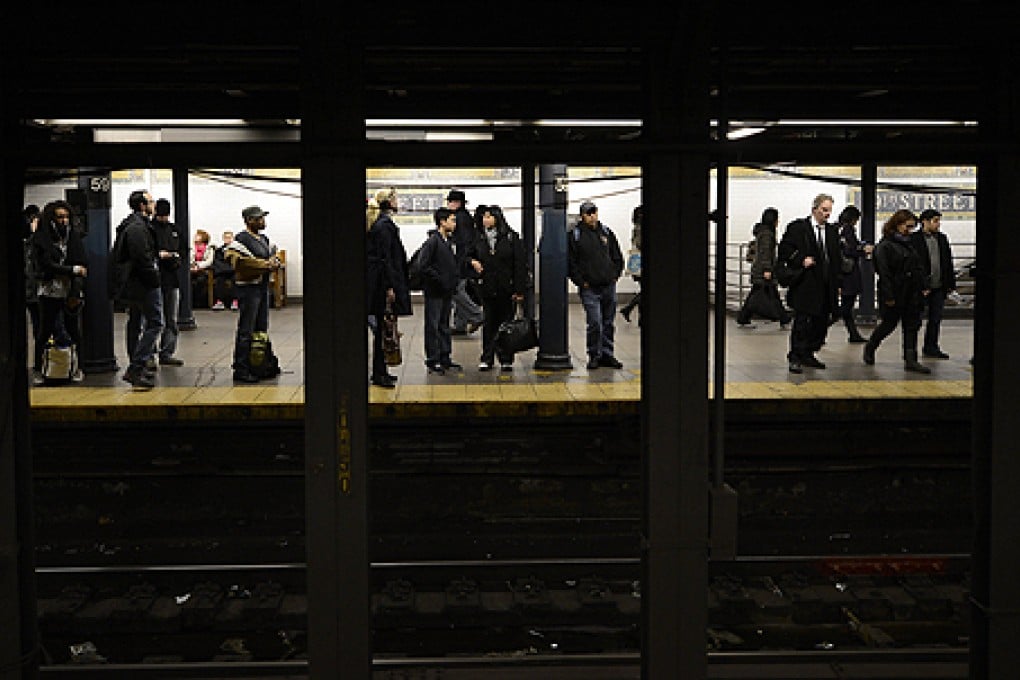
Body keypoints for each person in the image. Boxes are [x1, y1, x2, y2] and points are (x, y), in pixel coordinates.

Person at [777, 193, 840, 374]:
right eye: (824, 210)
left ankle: (809, 352)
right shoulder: (798, 228)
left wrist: (838, 282)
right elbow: (785, 250)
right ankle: (795, 355)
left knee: (822, 321)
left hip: (826, 284)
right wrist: (800, 260)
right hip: (806, 283)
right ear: (815, 209)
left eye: (829, 211)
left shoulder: (832, 231)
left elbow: (835, 257)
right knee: (802, 322)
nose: (827, 214)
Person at [863, 209, 931, 373]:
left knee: (912, 325)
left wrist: (923, 286)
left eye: (912, 227)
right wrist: (889, 295)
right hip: (895, 291)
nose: (909, 230)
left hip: (911, 292)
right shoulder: (884, 246)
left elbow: (918, 267)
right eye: (907, 226)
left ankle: (910, 359)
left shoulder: (909, 244)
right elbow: (884, 273)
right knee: (888, 324)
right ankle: (871, 346)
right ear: (897, 225)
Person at [463, 205, 529, 371]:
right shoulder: (478, 238)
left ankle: (506, 358)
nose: (485, 220)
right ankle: (487, 357)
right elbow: (466, 256)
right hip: (487, 288)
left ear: (497, 218)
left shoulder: (511, 237)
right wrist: (472, 261)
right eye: (484, 217)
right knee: (489, 324)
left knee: (506, 326)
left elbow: (519, 265)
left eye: (489, 217)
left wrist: (519, 290)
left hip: (507, 289)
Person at [223, 206, 282, 383]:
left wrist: (275, 261)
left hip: (261, 288)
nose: (263, 221)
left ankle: (261, 363)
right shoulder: (240, 240)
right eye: (259, 219)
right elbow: (238, 261)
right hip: (248, 289)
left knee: (261, 328)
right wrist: (265, 265)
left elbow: (273, 254)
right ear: (249, 221)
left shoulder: (264, 239)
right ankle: (241, 368)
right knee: (246, 329)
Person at [31, 200, 87, 386]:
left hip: (69, 290)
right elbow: (46, 264)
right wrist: (72, 270)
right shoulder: (42, 239)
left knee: (74, 331)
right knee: (44, 331)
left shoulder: (73, 236)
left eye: (66, 217)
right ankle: (39, 369)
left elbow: (82, 263)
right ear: (51, 219)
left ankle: (78, 367)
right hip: (49, 290)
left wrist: (75, 290)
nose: (64, 221)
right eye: (59, 217)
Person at [115, 190, 163, 390]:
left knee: (135, 323)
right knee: (155, 323)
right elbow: (141, 258)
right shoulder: (137, 228)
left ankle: (137, 366)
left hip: (134, 284)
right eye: (151, 202)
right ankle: (136, 367)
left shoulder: (132, 225)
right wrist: (154, 279)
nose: (154, 205)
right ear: (143, 206)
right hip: (143, 284)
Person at [568, 200, 625, 370]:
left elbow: (617, 256)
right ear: (582, 216)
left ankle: (607, 354)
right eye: (588, 213)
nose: (592, 216)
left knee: (608, 322)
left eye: (594, 212)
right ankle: (594, 354)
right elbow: (571, 263)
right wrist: (581, 282)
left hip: (608, 285)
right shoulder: (575, 236)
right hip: (590, 288)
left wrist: (615, 275)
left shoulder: (606, 233)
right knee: (595, 322)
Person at [366, 187, 412, 388]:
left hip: (377, 283)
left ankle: (380, 370)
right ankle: (379, 372)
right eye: (396, 197)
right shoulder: (384, 226)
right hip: (381, 285)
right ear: (388, 201)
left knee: (381, 328)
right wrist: (390, 287)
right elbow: (386, 259)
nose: (398, 201)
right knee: (382, 329)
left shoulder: (378, 223)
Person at [419, 207, 462, 374]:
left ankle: (445, 356)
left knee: (444, 325)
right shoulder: (432, 242)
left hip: (446, 291)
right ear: (442, 222)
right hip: (435, 291)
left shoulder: (449, 241)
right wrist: (440, 279)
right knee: (433, 325)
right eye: (452, 220)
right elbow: (423, 266)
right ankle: (433, 359)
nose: (455, 223)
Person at [911, 208, 956, 359]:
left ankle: (931, 346)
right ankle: (911, 350)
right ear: (924, 221)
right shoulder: (914, 239)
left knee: (935, 318)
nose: (938, 224)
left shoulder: (942, 239)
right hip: (921, 288)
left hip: (938, 286)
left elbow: (947, 261)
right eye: (935, 221)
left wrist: (950, 283)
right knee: (915, 320)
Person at [735, 207, 791, 328]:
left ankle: (744, 318)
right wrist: (767, 269)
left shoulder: (762, 232)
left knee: (759, 293)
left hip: (759, 269)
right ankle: (784, 319)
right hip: (763, 270)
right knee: (770, 294)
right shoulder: (767, 234)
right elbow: (765, 252)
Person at [152, 199, 184, 366]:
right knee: (154, 320)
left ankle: (166, 352)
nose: (164, 218)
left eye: (166, 214)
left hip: (172, 279)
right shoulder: (150, 229)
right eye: (161, 214)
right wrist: (160, 255)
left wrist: (176, 257)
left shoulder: (174, 229)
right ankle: (150, 354)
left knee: (171, 319)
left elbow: (182, 250)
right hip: (154, 281)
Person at [446, 189, 483, 336]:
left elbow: (463, 242)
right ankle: (460, 325)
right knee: (460, 290)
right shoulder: (464, 216)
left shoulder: (460, 218)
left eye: (451, 201)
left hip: (460, 261)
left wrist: (463, 260)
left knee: (457, 291)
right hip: (463, 260)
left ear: (457, 203)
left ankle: (477, 315)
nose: (449, 204)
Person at [836, 205, 872, 343]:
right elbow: (850, 250)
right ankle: (817, 330)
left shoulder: (837, 228)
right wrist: (863, 251)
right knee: (846, 307)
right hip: (849, 273)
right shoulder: (847, 230)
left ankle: (853, 333)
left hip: (841, 272)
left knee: (846, 307)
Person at [619, 205, 642, 325]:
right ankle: (633, 312)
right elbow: (640, 244)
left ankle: (629, 310)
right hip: (640, 263)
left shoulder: (636, 227)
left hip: (636, 262)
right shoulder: (640, 229)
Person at [23, 204, 41, 345]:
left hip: (33, 291)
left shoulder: (30, 244)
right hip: (34, 291)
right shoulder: (31, 244)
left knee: (38, 324)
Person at [211, 231, 237, 310]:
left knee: (236, 279)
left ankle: (235, 301)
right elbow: (217, 262)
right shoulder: (219, 251)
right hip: (222, 271)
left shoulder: (237, 250)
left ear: (233, 239)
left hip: (234, 271)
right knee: (219, 280)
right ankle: (220, 301)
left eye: (229, 238)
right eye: (226, 238)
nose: (227, 239)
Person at [189, 228, 214, 308]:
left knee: (201, 281)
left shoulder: (209, 248)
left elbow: (209, 261)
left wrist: (198, 266)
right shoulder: (192, 247)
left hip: (204, 270)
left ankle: (200, 303)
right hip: (191, 268)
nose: (195, 237)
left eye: (198, 236)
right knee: (187, 280)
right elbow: (189, 258)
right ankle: (189, 302)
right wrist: (193, 265)